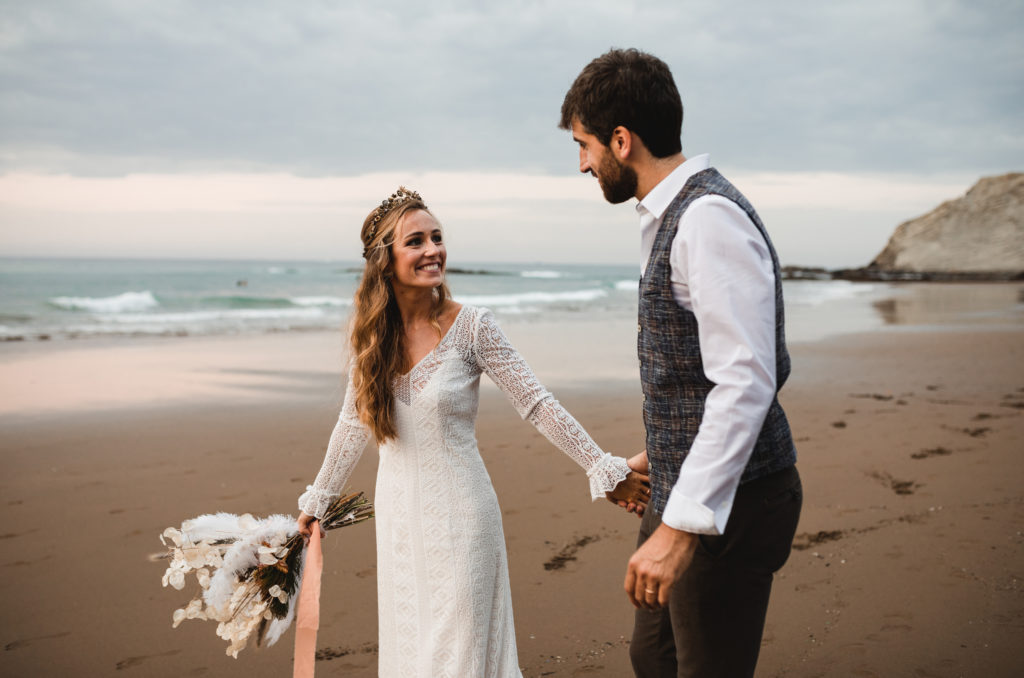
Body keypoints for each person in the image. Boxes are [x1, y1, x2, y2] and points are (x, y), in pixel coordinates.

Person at [295, 187, 650, 678]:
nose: (433, 250)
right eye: (415, 241)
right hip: (400, 524)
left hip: (464, 519)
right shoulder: (372, 340)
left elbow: (536, 403)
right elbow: (351, 425)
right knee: (414, 654)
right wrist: (316, 504)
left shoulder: (473, 326)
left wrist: (601, 466)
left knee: (461, 657)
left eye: (436, 237)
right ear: (385, 260)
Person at [559, 49, 803, 678]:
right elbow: (697, 374)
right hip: (684, 481)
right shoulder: (669, 217)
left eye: (585, 144)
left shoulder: (706, 219)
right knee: (654, 656)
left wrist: (683, 528)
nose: (582, 162)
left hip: (736, 502)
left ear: (621, 139)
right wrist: (660, 452)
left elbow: (746, 380)